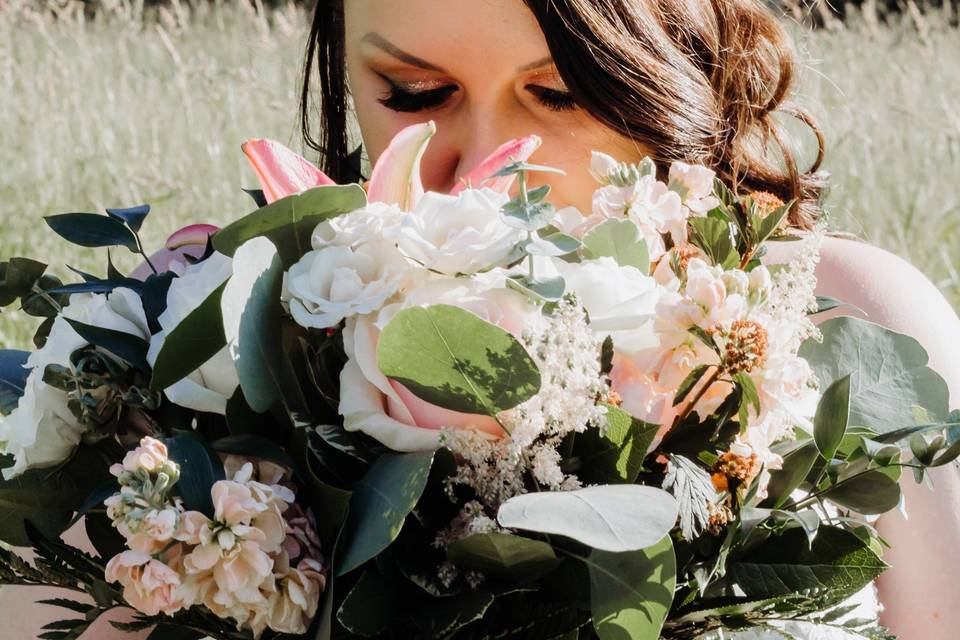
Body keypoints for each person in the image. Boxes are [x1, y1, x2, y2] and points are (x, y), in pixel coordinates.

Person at [3, 1, 959, 638]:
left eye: (561, 94)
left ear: (669, 75)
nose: (484, 169)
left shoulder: (855, 325)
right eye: (416, 95)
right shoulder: (192, 367)